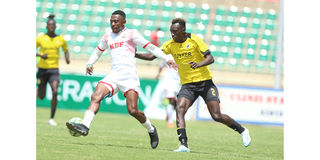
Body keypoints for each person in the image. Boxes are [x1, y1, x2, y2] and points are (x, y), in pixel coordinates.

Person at [135, 18, 251, 152]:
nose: (172, 34)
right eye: (171, 32)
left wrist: (199, 64)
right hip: (188, 85)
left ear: (183, 31)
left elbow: (210, 58)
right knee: (180, 109)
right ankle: (184, 145)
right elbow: (152, 56)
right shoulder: (169, 45)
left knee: (216, 116)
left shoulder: (195, 40)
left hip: (205, 83)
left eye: (175, 32)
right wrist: (135, 54)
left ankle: (242, 130)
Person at [66, 10, 178, 149]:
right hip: (114, 75)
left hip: (130, 78)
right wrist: (90, 63)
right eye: (111, 21)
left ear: (124, 22)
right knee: (95, 96)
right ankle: (85, 125)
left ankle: (151, 129)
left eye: (116, 21)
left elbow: (151, 48)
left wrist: (167, 59)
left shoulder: (132, 34)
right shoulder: (107, 37)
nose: (113, 24)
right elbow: (98, 51)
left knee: (133, 110)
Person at [36, 14, 70, 126]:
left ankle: (51, 118)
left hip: (54, 70)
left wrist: (67, 58)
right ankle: (38, 92)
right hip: (42, 70)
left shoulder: (60, 39)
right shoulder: (40, 38)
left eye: (53, 25)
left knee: (55, 91)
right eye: (49, 25)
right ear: (46, 26)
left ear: (55, 26)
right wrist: (40, 56)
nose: (51, 26)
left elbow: (66, 50)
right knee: (41, 96)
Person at [155, 57, 180, 128]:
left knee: (176, 102)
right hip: (169, 82)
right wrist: (158, 74)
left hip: (179, 83)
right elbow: (161, 65)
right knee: (171, 100)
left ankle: (169, 112)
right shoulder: (167, 56)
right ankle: (170, 121)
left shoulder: (181, 54)